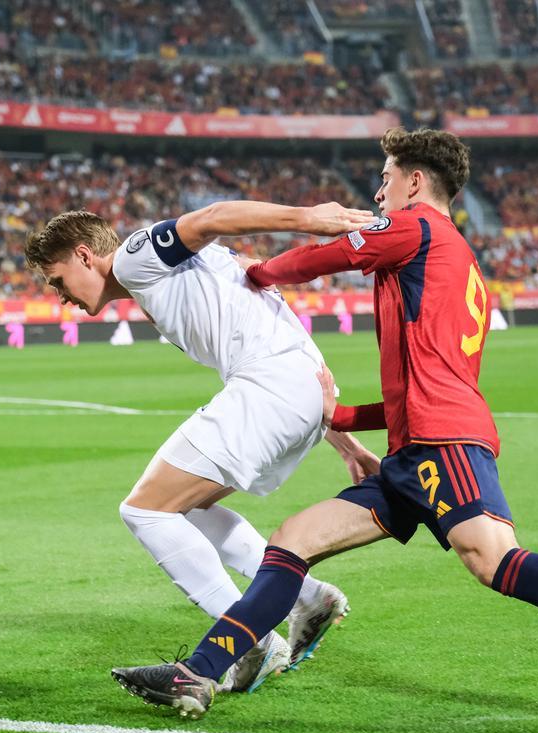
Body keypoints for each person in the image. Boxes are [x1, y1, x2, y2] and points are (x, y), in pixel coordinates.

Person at [112, 128, 538, 733]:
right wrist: (343, 420)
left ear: (415, 182)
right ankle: (201, 671)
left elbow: (327, 255)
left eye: (387, 177)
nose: (378, 190)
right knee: (292, 541)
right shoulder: (450, 256)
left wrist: (255, 273)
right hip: (415, 444)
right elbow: (420, 380)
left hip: (443, 442)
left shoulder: (419, 228)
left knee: (494, 560)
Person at [24, 199, 382, 693]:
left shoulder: (134, 257)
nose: (59, 295)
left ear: (85, 256)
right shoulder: (172, 281)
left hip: (269, 388)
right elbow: (272, 325)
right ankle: (306, 597)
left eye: (57, 280)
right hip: (299, 393)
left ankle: (249, 638)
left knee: (145, 512)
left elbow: (211, 217)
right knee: (185, 510)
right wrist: (343, 443)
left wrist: (307, 219)